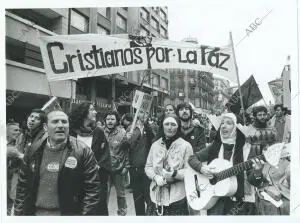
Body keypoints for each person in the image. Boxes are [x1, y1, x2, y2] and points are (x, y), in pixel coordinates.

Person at [14, 110, 101, 215]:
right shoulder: (33, 150)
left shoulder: (83, 151)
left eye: (64, 122)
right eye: (55, 121)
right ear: (45, 127)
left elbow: (92, 191)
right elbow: (22, 186)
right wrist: (18, 215)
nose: (61, 125)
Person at [188, 113, 253, 215]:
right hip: (215, 202)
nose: (223, 126)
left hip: (238, 203)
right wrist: (201, 168)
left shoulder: (247, 149)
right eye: (222, 123)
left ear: (237, 128)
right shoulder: (214, 146)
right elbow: (192, 158)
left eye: (229, 123)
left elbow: (254, 180)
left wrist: (257, 172)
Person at [245, 106, 290, 215]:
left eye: (264, 114)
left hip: (271, 163)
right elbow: (246, 149)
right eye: (259, 115)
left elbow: (276, 146)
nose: (262, 117)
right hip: (254, 161)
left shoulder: (272, 129)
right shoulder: (249, 130)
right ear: (255, 116)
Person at [145, 114, 193, 215]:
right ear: (162, 126)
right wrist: (155, 177)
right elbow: (148, 166)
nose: (170, 128)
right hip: (156, 196)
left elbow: (189, 171)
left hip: (177, 198)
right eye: (166, 124)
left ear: (178, 127)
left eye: (173, 124)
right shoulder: (155, 145)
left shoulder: (186, 146)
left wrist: (174, 174)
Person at [69, 102, 111, 215]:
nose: (95, 112)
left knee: (97, 209)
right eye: (92, 109)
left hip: (95, 179)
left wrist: (97, 166)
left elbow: (106, 155)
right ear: (83, 112)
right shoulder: (71, 132)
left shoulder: (98, 131)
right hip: (76, 178)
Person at [126, 109, 155, 215]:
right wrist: (126, 139)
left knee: (149, 198)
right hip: (134, 168)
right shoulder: (131, 129)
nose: (144, 115)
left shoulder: (150, 129)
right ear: (137, 114)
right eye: (142, 112)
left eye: (146, 112)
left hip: (147, 169)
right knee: (138, 199)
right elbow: (125, 147)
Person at [104, 110, 129, 216]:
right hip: (104, 169)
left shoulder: (122, 133)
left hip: (119, 169)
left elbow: (127, 151)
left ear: (117, 120)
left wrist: (126, 167)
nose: (110, 121)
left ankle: (122, 215)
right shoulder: (100, 132)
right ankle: (103, 215)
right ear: (105, 120)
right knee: (104, 194)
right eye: (108, 119)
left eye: (112, 119)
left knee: (121, 195)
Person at [6, 122, 22, 215]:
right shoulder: (9, 148)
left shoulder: (14, 144)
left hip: (11, 179)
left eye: (19, 130)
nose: (19, 132)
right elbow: (24, 157)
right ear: (7, 132)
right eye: (15, 130)